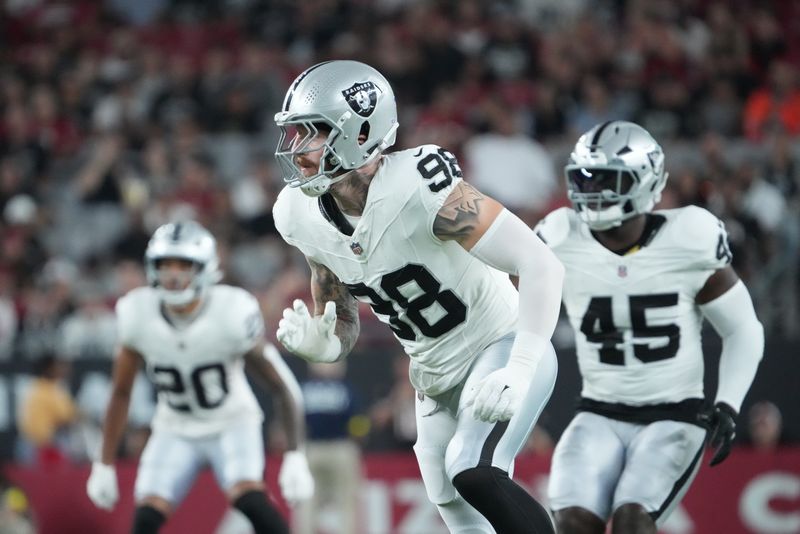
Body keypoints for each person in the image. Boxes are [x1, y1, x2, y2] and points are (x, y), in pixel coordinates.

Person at [272, 60, 564, 533]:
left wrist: (522, 364)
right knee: (453, 504)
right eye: (295, 133)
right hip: (432, 373)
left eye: (312, 132)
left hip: (500, 344)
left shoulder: (421, 187)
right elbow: (341, 315)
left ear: (358, 132)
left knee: (474, 469)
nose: (297, 148)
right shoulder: (298, 213)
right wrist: (326, 345)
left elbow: (540, 263)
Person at [536, 121, 764, 534]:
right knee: (570, 523)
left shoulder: (690, 236)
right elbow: (510, 304)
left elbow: (743, 328)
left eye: (606, 178)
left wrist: (729, 402)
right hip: (598, 411)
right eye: (585, 177)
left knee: (632, 523)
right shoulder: (559, 236)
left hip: (675, 415)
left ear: (644, 181)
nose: (592, 189)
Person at [85, 221, 314, 534]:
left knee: (251, 501)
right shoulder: (137, 313)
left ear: (205, 269)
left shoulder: (231, 311)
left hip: (232, 422)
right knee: (145, 520)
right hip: (174, 426)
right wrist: (104, 462)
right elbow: (121, 391)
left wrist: (295, 454)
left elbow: (281, 385)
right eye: (165, 264)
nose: (174, 275)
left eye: (184, 264)